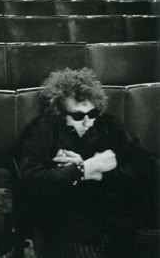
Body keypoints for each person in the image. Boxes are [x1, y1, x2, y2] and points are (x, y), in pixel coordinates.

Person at [17, 68, 158, 258]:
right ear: (59, 111)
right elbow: (33, 183)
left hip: (120, 216)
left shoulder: (107, 124)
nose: (87, 122)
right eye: (77, 116)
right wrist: (85, 168)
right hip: (74, 225)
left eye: (92, 113)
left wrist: (103, 173)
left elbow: (148, 169)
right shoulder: (41, 132)